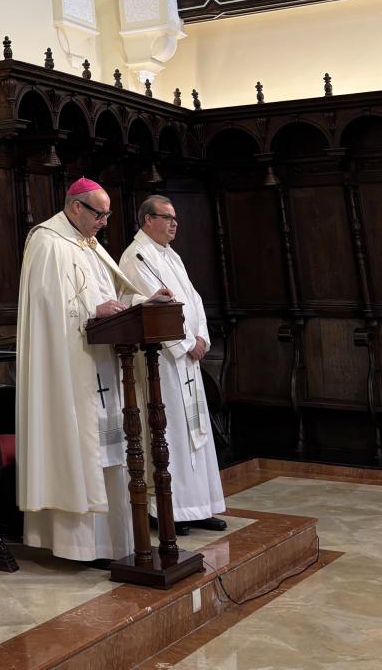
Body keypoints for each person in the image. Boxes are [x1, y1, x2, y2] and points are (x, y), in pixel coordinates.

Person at [16, 177, 169, 566]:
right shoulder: (48, 242)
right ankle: (79, 545)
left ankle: (116, 541)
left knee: (111, 450)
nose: (105, 222)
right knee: (83, 448)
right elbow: (49, 310)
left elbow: (113, 296)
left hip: (101, 364)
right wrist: (91, 312)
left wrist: (143, 302)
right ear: (76, 207)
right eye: (99, 214)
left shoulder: (89, 243)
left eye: (108, 215)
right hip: (70, 372)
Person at [119, 195, 227, 537]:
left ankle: (197, 506)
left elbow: (192, 300)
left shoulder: (171, 255)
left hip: (187, 360)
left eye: (174, 217)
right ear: (147, 220)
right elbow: (154, 309)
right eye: (167, 217)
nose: (173, 223)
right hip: (163, 364)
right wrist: (184, 344)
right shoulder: (137, 256)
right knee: (173, 435)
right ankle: (167, 509)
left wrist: (202, 339)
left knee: (195, 434)